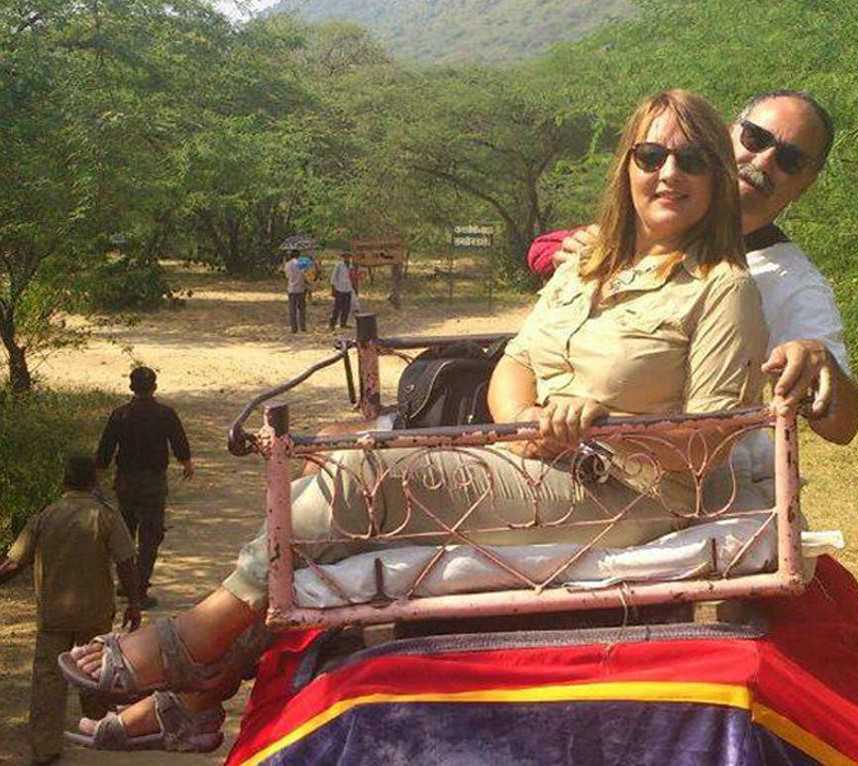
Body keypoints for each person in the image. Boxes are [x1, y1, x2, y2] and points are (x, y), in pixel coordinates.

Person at [58, 89, 771, 750]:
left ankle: (197, 639)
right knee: (332, 474)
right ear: (627, 167)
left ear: (715, 177)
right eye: (651, 154)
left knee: (367, 476)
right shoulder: (586, 267)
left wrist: (602, 423)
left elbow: (709, 443)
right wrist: (528, 419)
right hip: (529, 457)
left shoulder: (722, 288)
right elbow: (515, 363)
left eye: (691, 159)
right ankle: (202, 689)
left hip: (628, 492)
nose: (668, 173)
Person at [528, 90, 858, 453]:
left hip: (692, 471)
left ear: (806, 183)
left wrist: (820, 362)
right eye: (755, 138)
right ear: (727, 135)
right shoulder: (655, 227)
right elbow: (547, 250)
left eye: (790, 160)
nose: (765, 161)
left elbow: (843, 425)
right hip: (561, 449)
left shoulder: (793, 284)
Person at [0, 455, 142, 765]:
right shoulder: (105, 515)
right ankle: (101, 731)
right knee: (95, 671)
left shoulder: (45, 516)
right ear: (93, 481)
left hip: (54, 614)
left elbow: (13, 563)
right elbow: (126, 561)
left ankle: (45, 747)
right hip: (95, 612)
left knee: (48, 680)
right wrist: (134, 602)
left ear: (64, 481)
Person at [96, 366, 194, 609]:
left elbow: (105, 448)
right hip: (153, 481)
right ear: (154, 387)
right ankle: (139, 588)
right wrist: (186, 463)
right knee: (150, 534)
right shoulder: (165, 414)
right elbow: (178, 441)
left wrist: (98, 473)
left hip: (125, 481)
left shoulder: (120, 414)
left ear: (131, 387)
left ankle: (126, 582)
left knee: (126, 532)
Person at [328, 251, 355, 329]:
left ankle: (343, 323)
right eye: (345, 256)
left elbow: (352, 277)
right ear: (343, 257)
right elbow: (333, 277)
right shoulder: (339, 265)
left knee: (346, 308)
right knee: (337, 308)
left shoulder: (351, 266)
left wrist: (354, 287)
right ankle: (332, 324)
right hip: (339, 289)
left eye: (348, 256)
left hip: (348, 288)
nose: (347, 258)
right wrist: (333, 288)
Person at [283, 250, 308, 333]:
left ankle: (294, 328)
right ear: (299, 255)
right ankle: (303, 327)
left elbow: (287, 276)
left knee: (292, 309)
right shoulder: (301, 264)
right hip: (301, 288)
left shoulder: (287, 264)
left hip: (291, 289)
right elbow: (305, 275)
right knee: (302, 309)